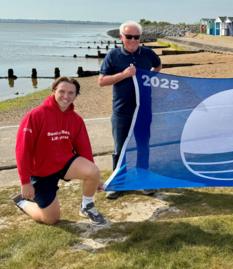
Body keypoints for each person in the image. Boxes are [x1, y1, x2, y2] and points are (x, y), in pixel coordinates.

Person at [12, 77, 107, 225]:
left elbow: (84, 149)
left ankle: (86, 206)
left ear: (76, 95)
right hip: (41, 172)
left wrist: (95, 179)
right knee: (51, 219)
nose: (66, 96)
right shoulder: (35, 115)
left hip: (64, 163)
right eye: (62, 91)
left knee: (93, 171)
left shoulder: (76, 119)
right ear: (53, 91)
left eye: (71, 93)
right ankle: (22, 202)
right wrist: (25, 182)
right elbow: (22, 150)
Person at [98, 20, 161, 199]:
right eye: (129, 37)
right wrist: (124, 75)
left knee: (143, 146)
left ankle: (143, 181)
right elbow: (101, 81)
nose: (133, 40)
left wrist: (150, 76)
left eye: (136, 37)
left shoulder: (148, 53)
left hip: (143, 109)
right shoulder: (113, 55)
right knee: (120, 148)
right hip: (122, 111)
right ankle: (119, 183)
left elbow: (157, 66)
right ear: (121, 37)